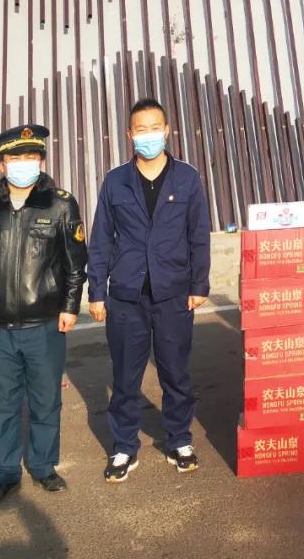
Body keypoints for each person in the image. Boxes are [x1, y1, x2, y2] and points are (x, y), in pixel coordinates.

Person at [0, 125, 88, 508]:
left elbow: (75, 264)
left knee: (45, 401)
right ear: (2, 163)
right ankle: (5, 474)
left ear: (42, 161)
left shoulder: (60, 204)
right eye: (15, 157)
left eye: (31, 156)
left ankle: (43, 466)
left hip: (44, 324)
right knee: (1, 406)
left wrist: (70, 307)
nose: (23, 163)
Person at [87, 98, 211, 480]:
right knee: (126, 376)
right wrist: (97, 291)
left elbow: (199, 235)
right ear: (130, 134)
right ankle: (124, 447)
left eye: (155, 128)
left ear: (167, 130)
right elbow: (101, 239)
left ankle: (179, 440)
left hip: (174, 292)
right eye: (141, 130)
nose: (148, 135)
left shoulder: (186, 178)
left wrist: (199, 283)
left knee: (176, 372)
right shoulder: (115, 181)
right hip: (127, 295)